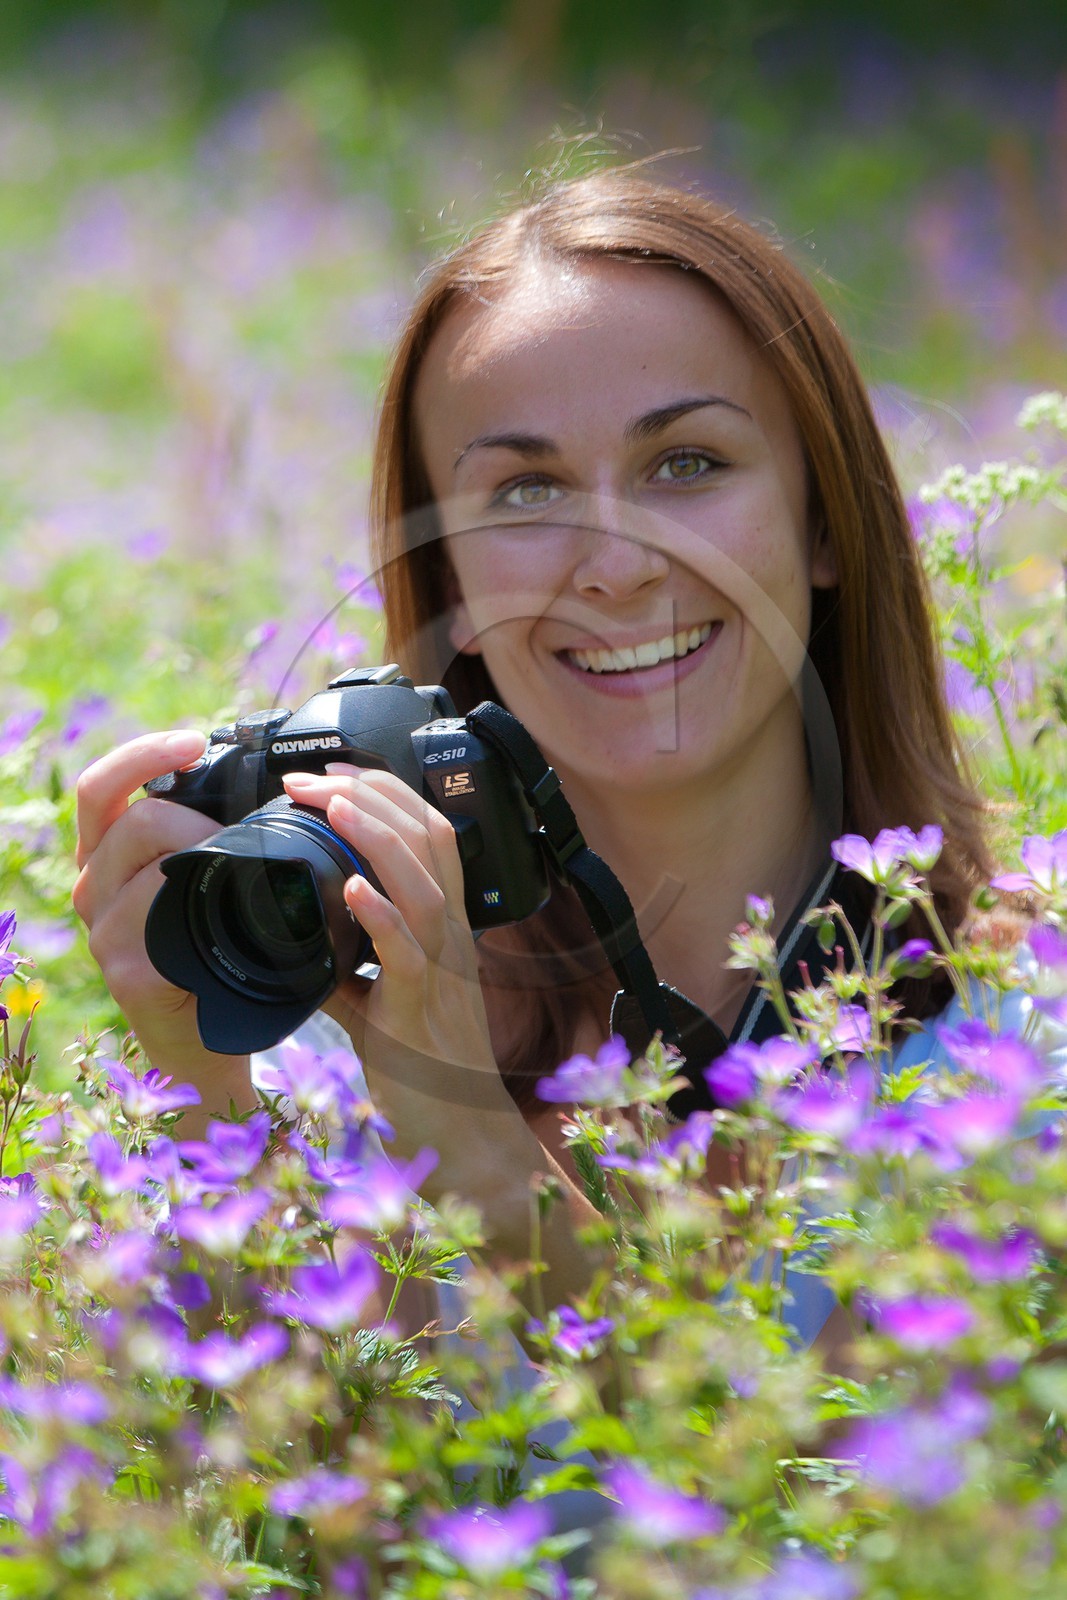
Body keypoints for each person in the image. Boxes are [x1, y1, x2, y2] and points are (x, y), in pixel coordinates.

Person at [72, 168, 997, 1346]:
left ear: (822, 521)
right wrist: (202, 1094)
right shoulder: (333, 1041)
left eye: (686, 465)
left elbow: (792, 1510)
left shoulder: (1009, 1041)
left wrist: (483, 1168)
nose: (613, 565)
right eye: (524, 489)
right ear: (452, 583)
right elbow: (288, 1510)